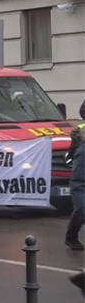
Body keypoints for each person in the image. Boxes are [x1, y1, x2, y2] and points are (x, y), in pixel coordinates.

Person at [65, 105, 84, 250]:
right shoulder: (80, 131)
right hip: (81, 179)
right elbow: (69, 156)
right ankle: (71, 237)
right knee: (82, 209)